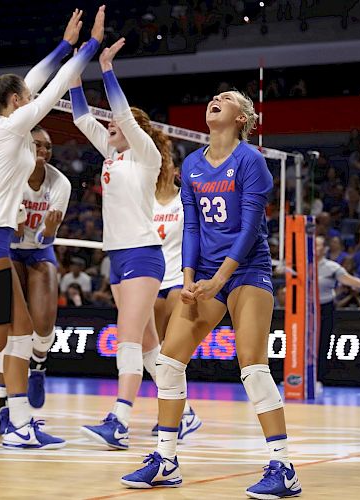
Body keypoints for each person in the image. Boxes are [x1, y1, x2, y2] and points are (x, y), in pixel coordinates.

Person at [0, 6, 105, 450]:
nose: (30, 100)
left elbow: (31, 78)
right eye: (24, 97)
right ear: (16, 102)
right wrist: (89, 47)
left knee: (22, 332)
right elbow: (48, 90)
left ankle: (20, 424)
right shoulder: (12, 126)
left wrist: (65, 44)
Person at [121, 89, 302, 499]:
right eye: (214, 97)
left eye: (227, 98)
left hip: (246, 271)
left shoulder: (251, 160)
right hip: (203, 273)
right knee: (167, 363)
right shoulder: (192, 164)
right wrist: (187, 278)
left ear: (242, 118)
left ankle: (284, 466)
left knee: (253, 366)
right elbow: (193, 228)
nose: (215, 99)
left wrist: (219, 281)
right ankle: (165, 460)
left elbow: (250, 228)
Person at [70, 37, 170, 450]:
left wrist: (107, 68)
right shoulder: (112, 156)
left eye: (114, 124)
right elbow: (79, 117)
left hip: (143, 255)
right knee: (148, 346)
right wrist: (74, 73)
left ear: (133, 130)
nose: (108, 125)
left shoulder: (146, 155)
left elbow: (123, 114)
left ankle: (120, 420)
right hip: (118, 256)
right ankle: (185, 411)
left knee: (127, 338)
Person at [0, 126, 71, 435]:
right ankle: (3, 406)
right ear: (25, 147)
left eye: (48, 146)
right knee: (10, 332)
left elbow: (45, 237)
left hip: (40, 250)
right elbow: (11, 232)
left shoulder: (60, 183)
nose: (43, 150)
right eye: (37, 144)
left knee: (43, 325)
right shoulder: (9, 177)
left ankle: (38, 363)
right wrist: (18, 225)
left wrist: (46, 230)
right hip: (8, 250)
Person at [152, 149, 201, 440]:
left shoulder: (186, 200)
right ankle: (186, 412)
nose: (160, 168)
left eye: (165, 163)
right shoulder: (143, 200)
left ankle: (179, 417)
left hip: (176, 278)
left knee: (171, 352)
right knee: (154, 354)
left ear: (175, 170)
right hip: (150, 278)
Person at [316, 236, 360, 381]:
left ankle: (318, 378)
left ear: (324, 249)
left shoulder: (332, 267)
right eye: (313, 245)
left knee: (322, 344)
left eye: (318, 245)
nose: (315, 248)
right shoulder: (300, 264)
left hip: (325, 308)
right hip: (304, 309)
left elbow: (348, 279)